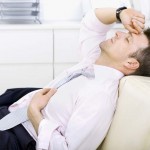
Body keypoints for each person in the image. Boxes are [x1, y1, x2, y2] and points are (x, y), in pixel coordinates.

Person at [0, 7, 150, 150]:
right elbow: (91, 23)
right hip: (9, 114)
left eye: (127, 39)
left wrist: (34, 113)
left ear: (131, 63)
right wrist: (120, 13)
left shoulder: (100, 96)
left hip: (18, 139)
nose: (118, 33)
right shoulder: (95, 59)